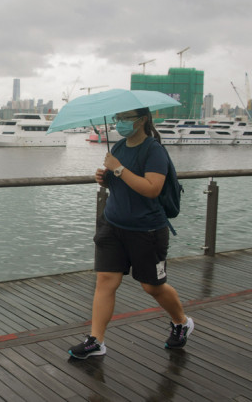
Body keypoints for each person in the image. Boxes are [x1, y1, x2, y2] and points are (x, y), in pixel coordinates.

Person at [68, 107, 193, 359]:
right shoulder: (119, 148)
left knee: (152, 286)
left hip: (146, 230)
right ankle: (96, 340)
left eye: (125, 118)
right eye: (118, 118)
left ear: (142, 120)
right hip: (113, 225)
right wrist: (104, 177)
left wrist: (119, 169)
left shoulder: (153, 150)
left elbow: (151, 188)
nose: (120, 123)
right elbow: (119, 184)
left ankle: (181, 322)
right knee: (106, 280)